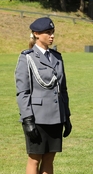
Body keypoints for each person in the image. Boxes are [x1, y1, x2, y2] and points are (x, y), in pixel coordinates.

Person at [15, 17, 72, 174]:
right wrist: (27, 119)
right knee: (34, 158)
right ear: (36, 34)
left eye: (52, 32)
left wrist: (66, 116)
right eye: (48, 33)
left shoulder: (57, 57)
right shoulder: (27, 57)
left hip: (56, 116)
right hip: (37, 117)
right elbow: (23, 92)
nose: (52, 36)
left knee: (49, 158)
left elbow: (63, 90)